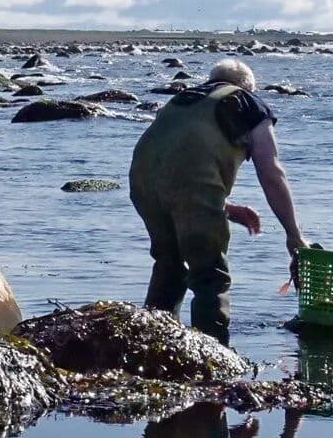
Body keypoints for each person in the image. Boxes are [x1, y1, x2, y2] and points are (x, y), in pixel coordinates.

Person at [128, 57, 305, 344]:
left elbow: (179, 160)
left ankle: (152, 342)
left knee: (169, 264)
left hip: (143, 184)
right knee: (210, 275)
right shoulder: (247, 103)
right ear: (246, 87)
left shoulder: (182, 100)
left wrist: (226, 208)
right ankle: (212, 356)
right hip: (190, 186)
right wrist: (293, 235)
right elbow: (271, 171)